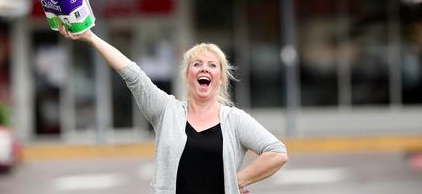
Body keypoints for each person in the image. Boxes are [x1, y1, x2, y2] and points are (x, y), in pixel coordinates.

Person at [58, 25, 288, 194]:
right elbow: (132, 74)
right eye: (196, 64)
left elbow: (277, 153)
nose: (203, 69)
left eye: (211, 65)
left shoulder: (234, 120)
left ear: (220, 78)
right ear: (187, 75)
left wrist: (236, 180)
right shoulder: (166, 110)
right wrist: (90, 36)